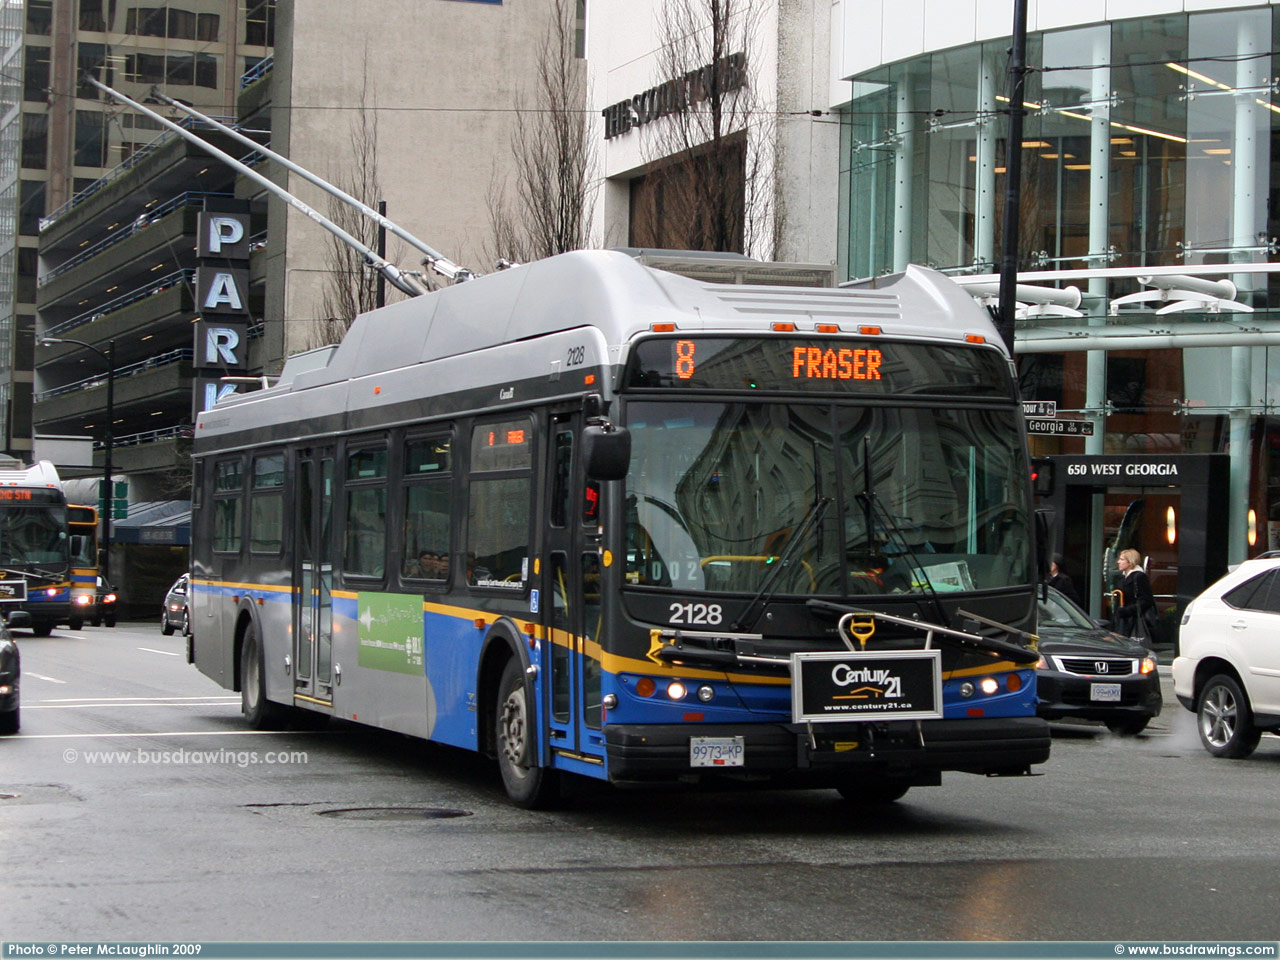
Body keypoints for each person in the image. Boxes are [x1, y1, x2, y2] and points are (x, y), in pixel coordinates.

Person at [1111, 548, 1156, 641]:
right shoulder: (1122, 578)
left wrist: (1127, 610)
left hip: (1134, 621)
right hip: (1122, 621)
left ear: (1130, 562)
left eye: (1122, 559)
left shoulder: (1139, 577)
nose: (1118, 562)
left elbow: (1146, 600)